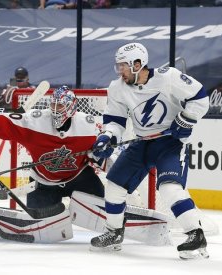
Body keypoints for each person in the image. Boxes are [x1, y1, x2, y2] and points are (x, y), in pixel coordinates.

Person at [89, 42, 210, 260]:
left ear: (138, 64)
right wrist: (107, 136)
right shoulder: (117, 88)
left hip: (170, 143)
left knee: (170, 189)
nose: (120, 71)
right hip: (141, 143)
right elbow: (115, 120)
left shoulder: (168, 77)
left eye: (123, 66)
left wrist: (186, 119)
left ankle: (195, 234)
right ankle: (114, 232)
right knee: (115, 185)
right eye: (118, 67)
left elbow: (200, 97)